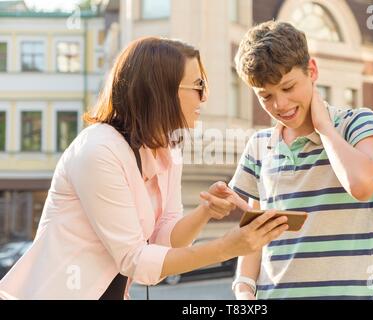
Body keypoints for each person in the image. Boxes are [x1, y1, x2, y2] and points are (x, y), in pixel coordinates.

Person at [0, 37, 289, 300]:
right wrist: (226, 247)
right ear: (160, 90)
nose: (204, 97)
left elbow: (164, 239)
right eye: (198, 86)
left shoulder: (167, 149)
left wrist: (205, 214)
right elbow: (135, 261)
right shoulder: (98, 151)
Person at [229, 21, 373, 300]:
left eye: (288, 87)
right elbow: (254, 235)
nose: (280, 105)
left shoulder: (357, 124)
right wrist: (244, 290)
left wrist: (325, 129)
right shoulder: (259, 146)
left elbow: (362, 185)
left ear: (312, 71)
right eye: (266, 96)